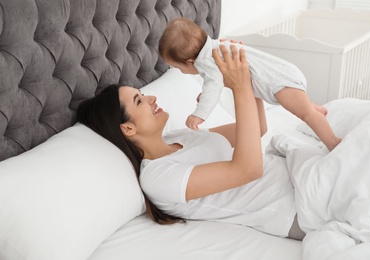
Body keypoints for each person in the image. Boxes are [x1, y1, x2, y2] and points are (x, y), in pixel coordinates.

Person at [77, 44, 305, 240]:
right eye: (139, 101)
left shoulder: (178, 136)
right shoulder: (157, 178)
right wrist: (240, 86)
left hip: (297, 171)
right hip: (295, 205)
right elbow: (249, 170)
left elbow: (257, 130)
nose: (151, 98)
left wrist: (247, 74)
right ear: (127, 128)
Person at [158, 17, 341, 151]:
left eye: (178, 67)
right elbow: (214, 85)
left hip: (279, 82)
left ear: (190, 61)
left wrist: (199, 115)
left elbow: (214, 85)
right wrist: (205, 96)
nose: (181, 72)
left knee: (306, 115)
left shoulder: (208, 60)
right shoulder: (216, 48)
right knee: (303, 106)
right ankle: (316, 109)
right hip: (285, 74)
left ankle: (332, 142)